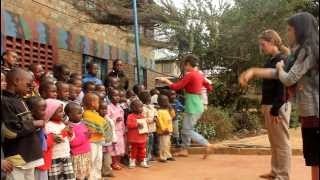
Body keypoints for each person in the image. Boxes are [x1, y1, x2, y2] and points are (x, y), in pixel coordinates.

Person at [239, 12, 319, 180]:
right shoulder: (298, 52)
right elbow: (278, 73)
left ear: (300, 30)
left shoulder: (307, 51)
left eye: (290, 29)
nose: (287, 33)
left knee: (313, 157)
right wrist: (254, 71)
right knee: (314, 158)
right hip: (309, 112)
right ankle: (277, 172)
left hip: (315, 112)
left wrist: (281, 69)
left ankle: (282, 175)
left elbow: (288, 79)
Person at [157, 55, 214, 159]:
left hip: (192, 105)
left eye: (184, 65)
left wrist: (166, 81)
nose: (184, 67)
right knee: (187, 128)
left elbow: (176, 87)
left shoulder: (190, 75)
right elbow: (209, 87)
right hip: (197, 104)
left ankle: (206, 144)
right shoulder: (199, 75)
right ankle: (184, 150)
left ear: (188, 64)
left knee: (187, 130)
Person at [1, 68, 45, 180]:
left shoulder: (20, 100)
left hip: (28, 157)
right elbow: (11, 131)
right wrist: (34, 124)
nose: (31, 87)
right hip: (17, 159)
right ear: (16, 81)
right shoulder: (5, 102)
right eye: (28, 84)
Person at [82, 93, 112, 180]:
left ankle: (97, 176)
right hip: (91, 142)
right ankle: (91, 177)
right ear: (92, 103)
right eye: (98, 102)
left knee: (98, 160)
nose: (99, 104)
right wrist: (103, 123)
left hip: (99, 141)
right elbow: (97, 124)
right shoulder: (86, 114)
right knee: (92, 159)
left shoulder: (95, 114)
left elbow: (100, 123)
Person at [44, 99, 75, 180]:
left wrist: (71, 133)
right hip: (54, 157)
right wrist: (64, 132)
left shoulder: (62, 124)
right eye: (60, 111)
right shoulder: (48, 125)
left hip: (65, 155)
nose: (63, 113)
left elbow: (69, 140)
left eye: (63, 111)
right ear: (50, 112)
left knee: (69, 177)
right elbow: (55, 140)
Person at [65, 102, 91, 180]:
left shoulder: (82, 124)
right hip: (77, 155)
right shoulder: (69, 127)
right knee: (78, 175)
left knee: (86, 173)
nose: (81, 115)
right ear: (69, 114)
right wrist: (85, 136)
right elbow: (72, 143)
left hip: (86, 153)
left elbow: (86, 137)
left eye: (81, 112)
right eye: (79, 113)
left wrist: (89, 134)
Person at [25, 96, 48, 180]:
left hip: (39, 157)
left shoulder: (41, 122)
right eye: (42, 110)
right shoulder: (32, 125)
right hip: (32, 159)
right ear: (31, 111)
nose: (45, 112)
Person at [127, 99, 150, 168]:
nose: (141, 108)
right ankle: (132, 161)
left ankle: (142, 161)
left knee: (143, 150)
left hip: (142, 138)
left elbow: (145, 127)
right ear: (133, 108)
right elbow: (129, 125)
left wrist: (147, 131)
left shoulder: (142, 116)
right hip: (134, 138)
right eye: (139, 107)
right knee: (133, 151)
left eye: (142, 107)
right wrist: (137, 124)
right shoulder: (130, 116)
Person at [107, 89, 126, 170]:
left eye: (119, 96)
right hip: (113, 130)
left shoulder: (120, 107)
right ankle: (114, 163)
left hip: (120, 130)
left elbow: (123, 120)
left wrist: (124, 129)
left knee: (120, 146)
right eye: (115, 96)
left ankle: (117, 162)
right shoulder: (108, 107)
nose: (117, 97)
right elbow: (107, 118)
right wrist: (115, 120)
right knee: (114, 147)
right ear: (110, 97)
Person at [98, 101, 116, 178]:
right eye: (102, 109)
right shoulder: (97, 119)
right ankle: (98, 173)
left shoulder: (109, 120)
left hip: (107, 143)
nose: (104, 110)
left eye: (105, 109)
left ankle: (107, 171)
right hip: (99, 143)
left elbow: (113, 130)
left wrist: (114, 139)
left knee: (108, 159)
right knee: (98, 159)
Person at [139, 91, 157, 162]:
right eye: (148, 97)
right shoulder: (143, 108)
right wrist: (152, 119)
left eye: (149, 97)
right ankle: (145, 158)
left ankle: (149, 155)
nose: (149, 98)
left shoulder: (151, 106)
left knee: (150, 144)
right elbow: (143, 119)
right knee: (146, 144)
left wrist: (155, 116)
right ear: (143, 99)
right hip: (145, 130)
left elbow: (155, 111)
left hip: (151, 130)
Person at [156, 95, 175, 163]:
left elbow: (173, 116)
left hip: (168, 131)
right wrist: (164, 129)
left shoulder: (167, 110)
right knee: (163, 144)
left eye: (167, 101)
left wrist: (171, 109)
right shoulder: (159, 112)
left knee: (168, 144)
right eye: (165, 101)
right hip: (163, 132)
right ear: (160, 103)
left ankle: (168, 155)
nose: (167, 103)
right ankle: (162, 157)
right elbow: (159, 121)